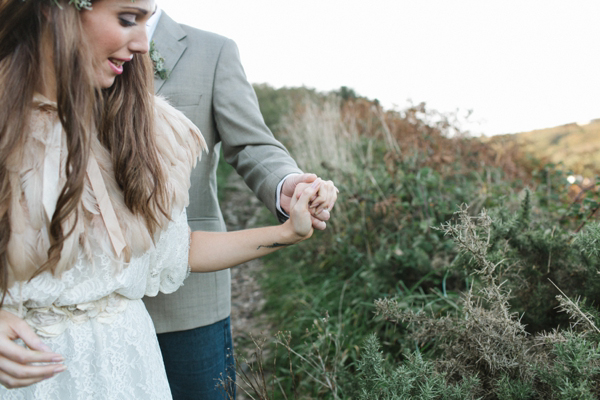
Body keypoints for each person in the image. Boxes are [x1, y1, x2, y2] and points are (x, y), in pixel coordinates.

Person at [0, 0, 333, 398]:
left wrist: (288, 213)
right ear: (56, 10)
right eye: (127, 20)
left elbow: (250, 147)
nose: (143, 42)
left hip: (145, 348)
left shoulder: (171, 92)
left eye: (144, 20)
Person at [143, 7, 337, 399]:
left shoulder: (211, 51)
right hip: (83, 298)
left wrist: (284, 183)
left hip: (187, 293)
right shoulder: (58, 43)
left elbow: (250, 143)